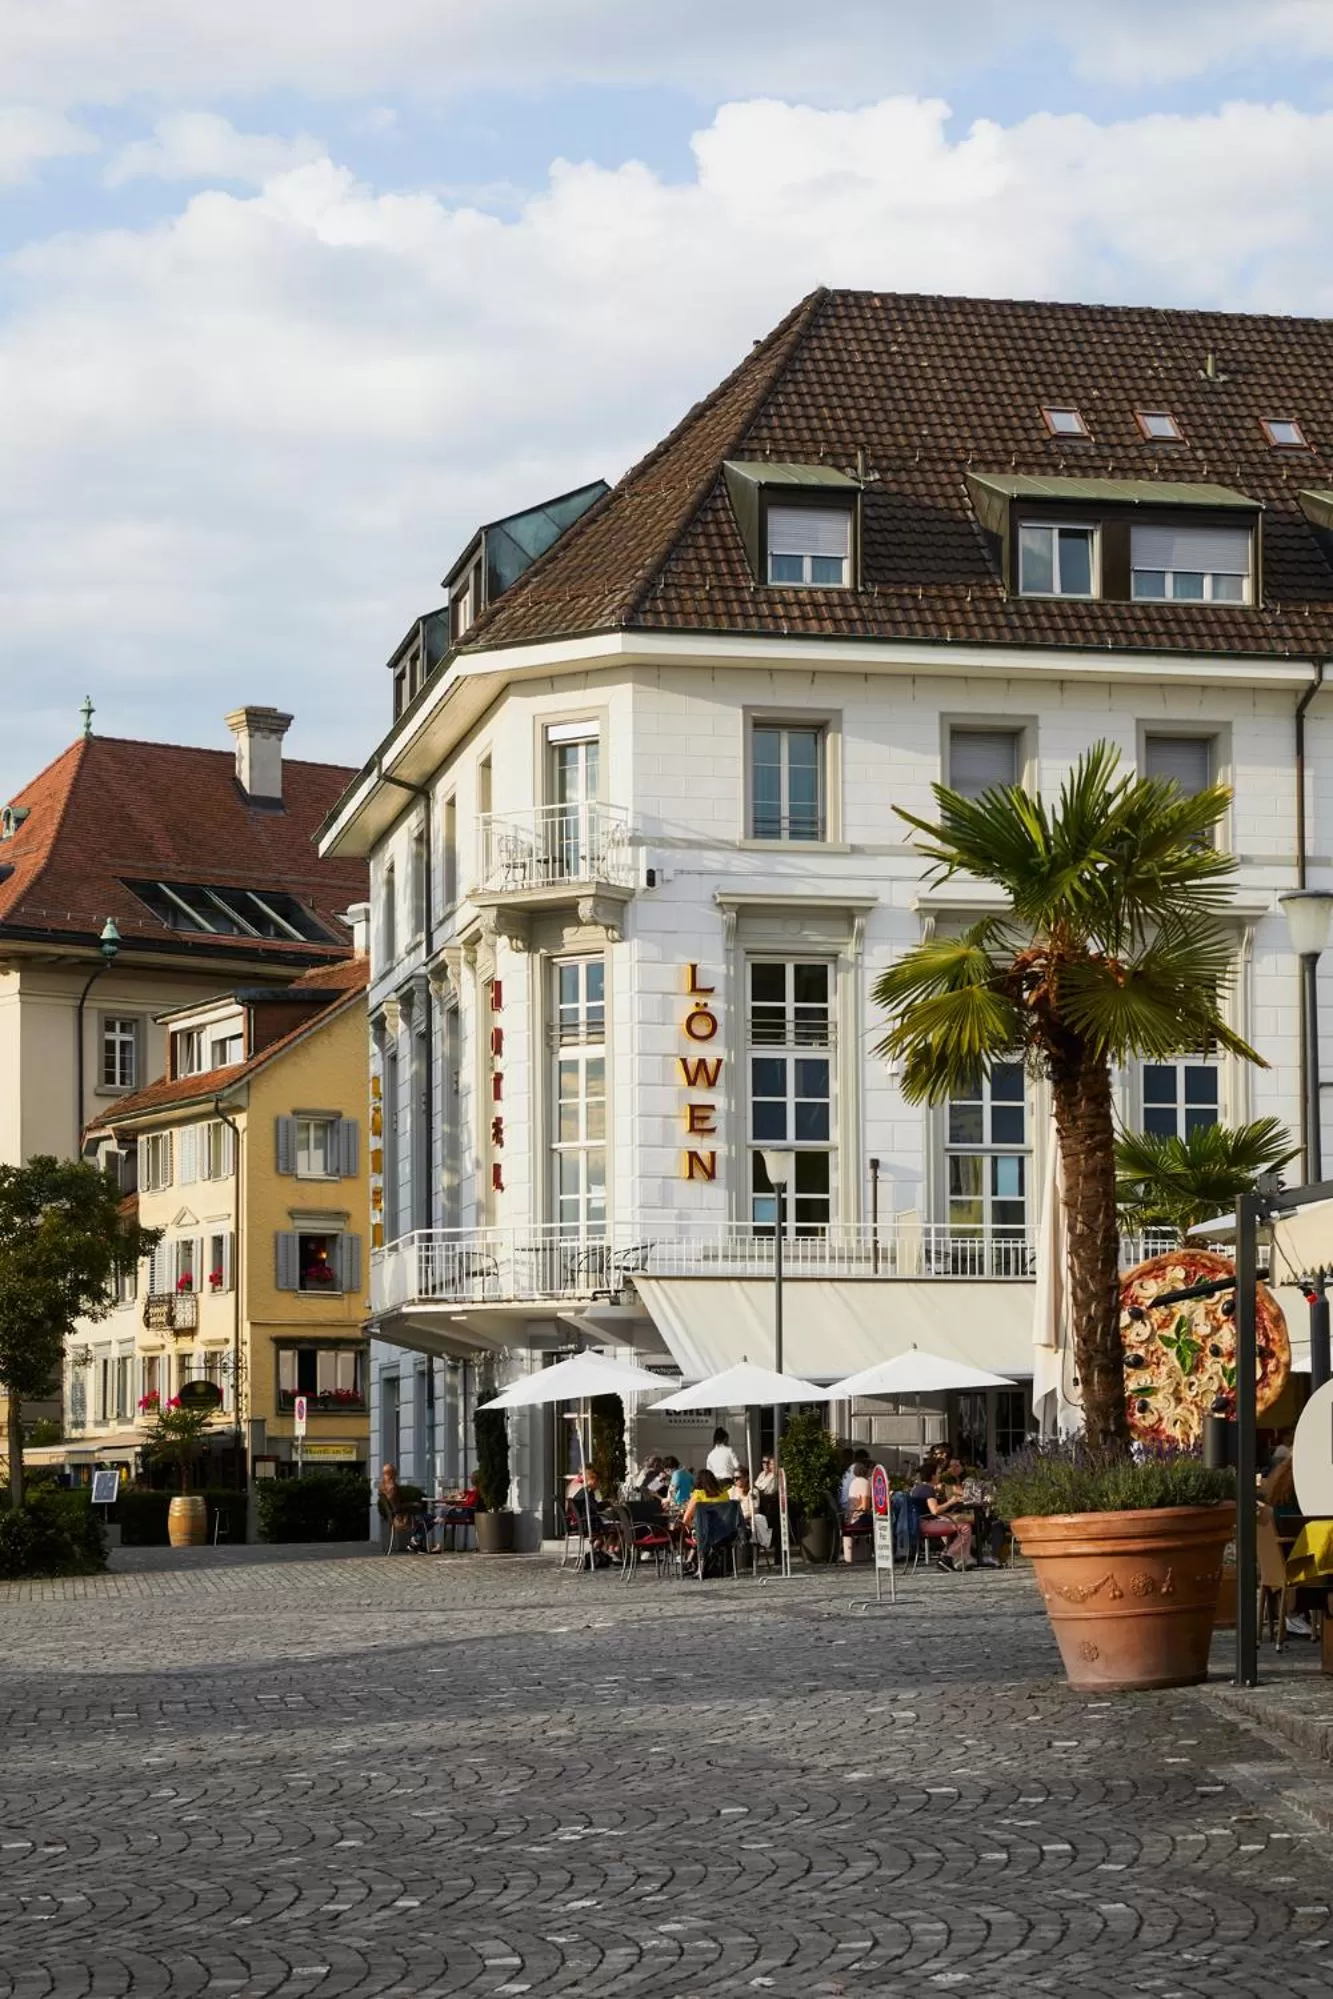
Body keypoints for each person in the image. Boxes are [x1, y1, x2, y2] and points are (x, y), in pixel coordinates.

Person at [841, 1454, 873, 1564]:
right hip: (857, 1519)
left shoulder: (855, 1481)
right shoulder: (864, 1483)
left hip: (850, 1517)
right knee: (888, 1520)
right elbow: (865, 1506)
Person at [733, 1465, 772, 1550]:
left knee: (741, 1532)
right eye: (734, 1478)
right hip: (733, 1523)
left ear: (746, 1478)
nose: (735, 1480)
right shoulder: (732, 1491)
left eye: (738, 1478)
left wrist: (741, 1518)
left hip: (747, 1523)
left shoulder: (753, 1492)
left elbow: (754, 1511)